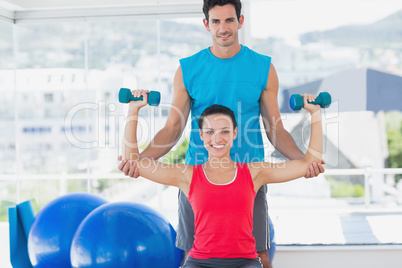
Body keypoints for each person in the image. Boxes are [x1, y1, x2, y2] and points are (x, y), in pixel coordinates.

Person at [119, 1, 325, 267]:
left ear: (240, 21)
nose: (223, 28)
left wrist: (306, 164)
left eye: (229, 20)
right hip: (198, 179)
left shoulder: (263, 67)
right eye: (216, 21)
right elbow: (172, 128)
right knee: (191, 252)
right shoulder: (188, 69)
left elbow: (275, 129)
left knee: (260, 254)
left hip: (249, 177)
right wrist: (137, 163)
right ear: (206, 24)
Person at [120, 91, 323, 268]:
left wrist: (315, 113)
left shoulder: (254, 173)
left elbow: (309, 163)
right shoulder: (187, 175)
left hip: (245, 262)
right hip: (199, 262)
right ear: (201, 135)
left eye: (225, 131)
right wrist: (134, 109)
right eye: (210, 132)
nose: (217, 139)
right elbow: (133, 161)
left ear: (234, 133)